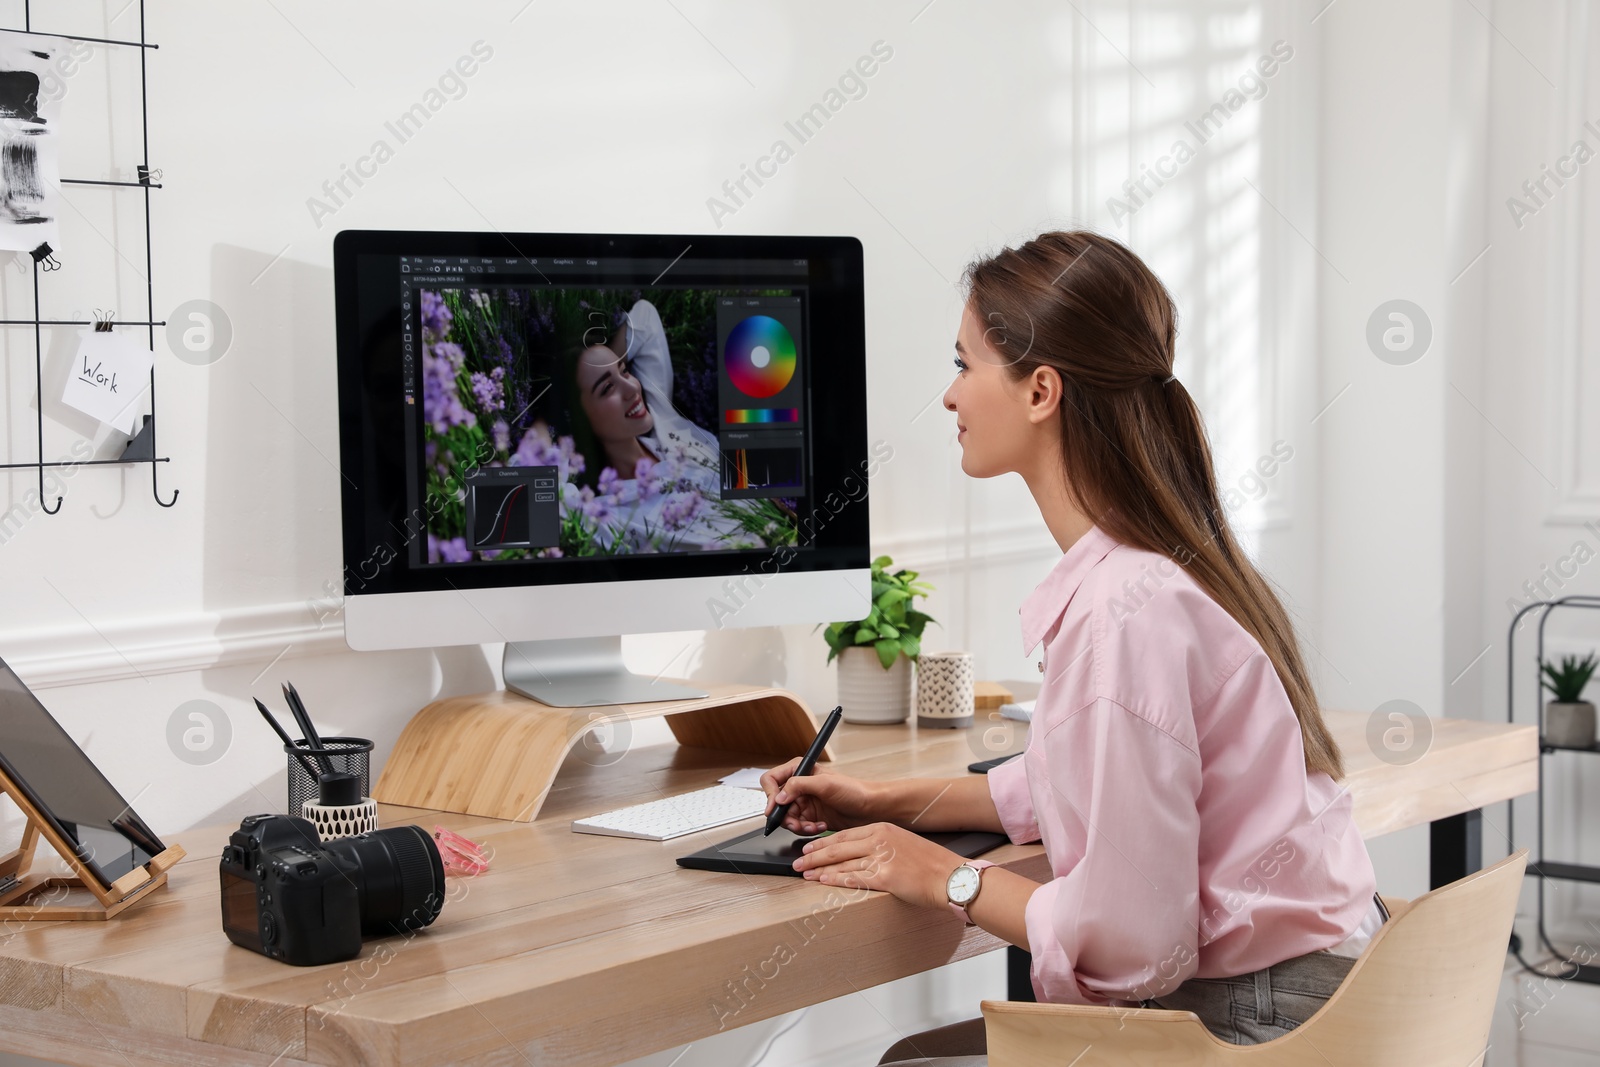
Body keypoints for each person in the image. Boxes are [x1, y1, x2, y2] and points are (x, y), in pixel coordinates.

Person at [759, 231, 1384, 1063]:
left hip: (1259, 1022)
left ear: (1040, 390)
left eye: (964, 363)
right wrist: (878, 798)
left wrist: (943, 876)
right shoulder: (1156, 570)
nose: (949, 398)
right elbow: (1067, 776)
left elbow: (1137, 948)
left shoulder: (1126, 616)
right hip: (1324, 993)